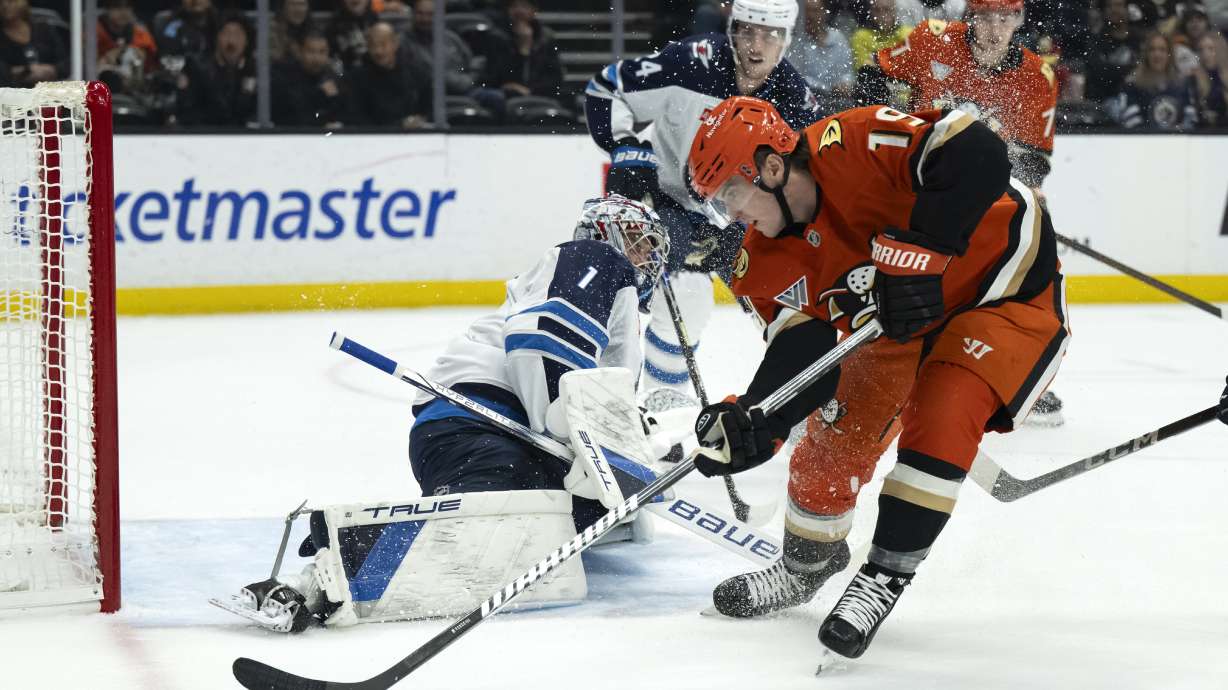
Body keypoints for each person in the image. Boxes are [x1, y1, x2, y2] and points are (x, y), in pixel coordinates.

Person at [686, 96, 1067, 659]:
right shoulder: (762, 258)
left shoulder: (855, 140)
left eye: (730, 196)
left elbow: (980, 152)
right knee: (830, 442)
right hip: (900, 326)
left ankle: (882, 578)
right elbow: (805, 356)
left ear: (768, 167)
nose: (731, 216)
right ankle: (804, 566)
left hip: (1002, 292)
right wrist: (758, 418)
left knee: (941, 417)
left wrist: (924, 252)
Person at [222, 196, 671, 632]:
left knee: (556, 525)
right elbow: (543, 340)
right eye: (638, 241)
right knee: (484, 532)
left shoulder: (616, 303)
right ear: (604, 232)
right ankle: (322, 573)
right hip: (480, 424)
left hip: (481, 433)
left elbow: (598, 398)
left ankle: (355, 548)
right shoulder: (598, 258)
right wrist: (571, 434)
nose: (645, 256)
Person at [584, 0, 821, 409]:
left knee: (784, 303)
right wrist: (626, 145)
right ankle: (650, 394)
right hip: (667, 199)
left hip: (741, 215)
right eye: (747, 30)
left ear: (787, 40)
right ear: (731, 30)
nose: (756, 45)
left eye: (770, 35)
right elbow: (606, 87)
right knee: (671, 291)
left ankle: (804, 399)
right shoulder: (689, 63)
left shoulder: (795, 98)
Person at [857, 0, 1065, 425]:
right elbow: (871, 81)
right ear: (970, 18)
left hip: (982, 200)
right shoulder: (931, 40)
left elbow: (1035, 160)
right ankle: (862, 373)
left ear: (1019, 21)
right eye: (986, 17)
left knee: (1027, 269)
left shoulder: (1036, 77)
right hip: (911, 186)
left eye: (1005, 18)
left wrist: (1004, 184)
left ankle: (1009, 369)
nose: (994, 29)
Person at [174, 14, 256, 127]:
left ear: (247, 40)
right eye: (226, 34)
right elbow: (188, 111)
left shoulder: (256, 70)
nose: (231, 40)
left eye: (237, 34)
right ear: (217, 38)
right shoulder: (196, 68)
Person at [347, 21, 433, 129]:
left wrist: (419, 120)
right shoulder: (357, 78)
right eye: (373, 45)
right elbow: (357, 118)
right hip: (374, 138)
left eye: (383, 44)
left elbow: (429, 109)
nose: (378, 51)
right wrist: (398, 125)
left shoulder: (417, 72)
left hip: (413, 136)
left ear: (395, 43)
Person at [1107, 30, 1200, 128]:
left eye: (1162, 50)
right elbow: (1131, 122)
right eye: (1152, 49)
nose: (1157, 54)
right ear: (1146, 54)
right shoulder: (1132, 84)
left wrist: (1175, 136)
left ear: (1169, 55)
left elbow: (1190, 120)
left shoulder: (1183, 83)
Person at [486, 0, 564, 100]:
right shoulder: (497, 37)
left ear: (534, 10)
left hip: (539, 92)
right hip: (506, 94)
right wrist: (523, 51)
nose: (519, 11)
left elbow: (555, 77)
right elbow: (498, 76)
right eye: (514, 6)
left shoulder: (546, 37)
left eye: (524, 6)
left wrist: (531, 90)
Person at [272, 29, 348, 128]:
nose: (316, 58)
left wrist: (335, 98)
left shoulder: (335, 78)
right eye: (311, 51)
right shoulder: (284, 77)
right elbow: (292, 116)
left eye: (322, 52)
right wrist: (320, 95)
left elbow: (346, 115)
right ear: (299, 52)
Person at [96, 0, 159, 97]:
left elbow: (151, 68)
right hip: (99, 91)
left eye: (128, 6)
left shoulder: (140, 34)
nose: (123, 12)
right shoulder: (93, 32)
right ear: (107, 9)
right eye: (117, 6)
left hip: (134, 93)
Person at [0, 0, 68, 88]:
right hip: (14, 94)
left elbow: (67, 60)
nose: (5, 6)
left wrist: (54, 70)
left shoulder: (44, 29)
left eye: (10, 1)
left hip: (52, 91)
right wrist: (14, 72)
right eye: (0, 3)